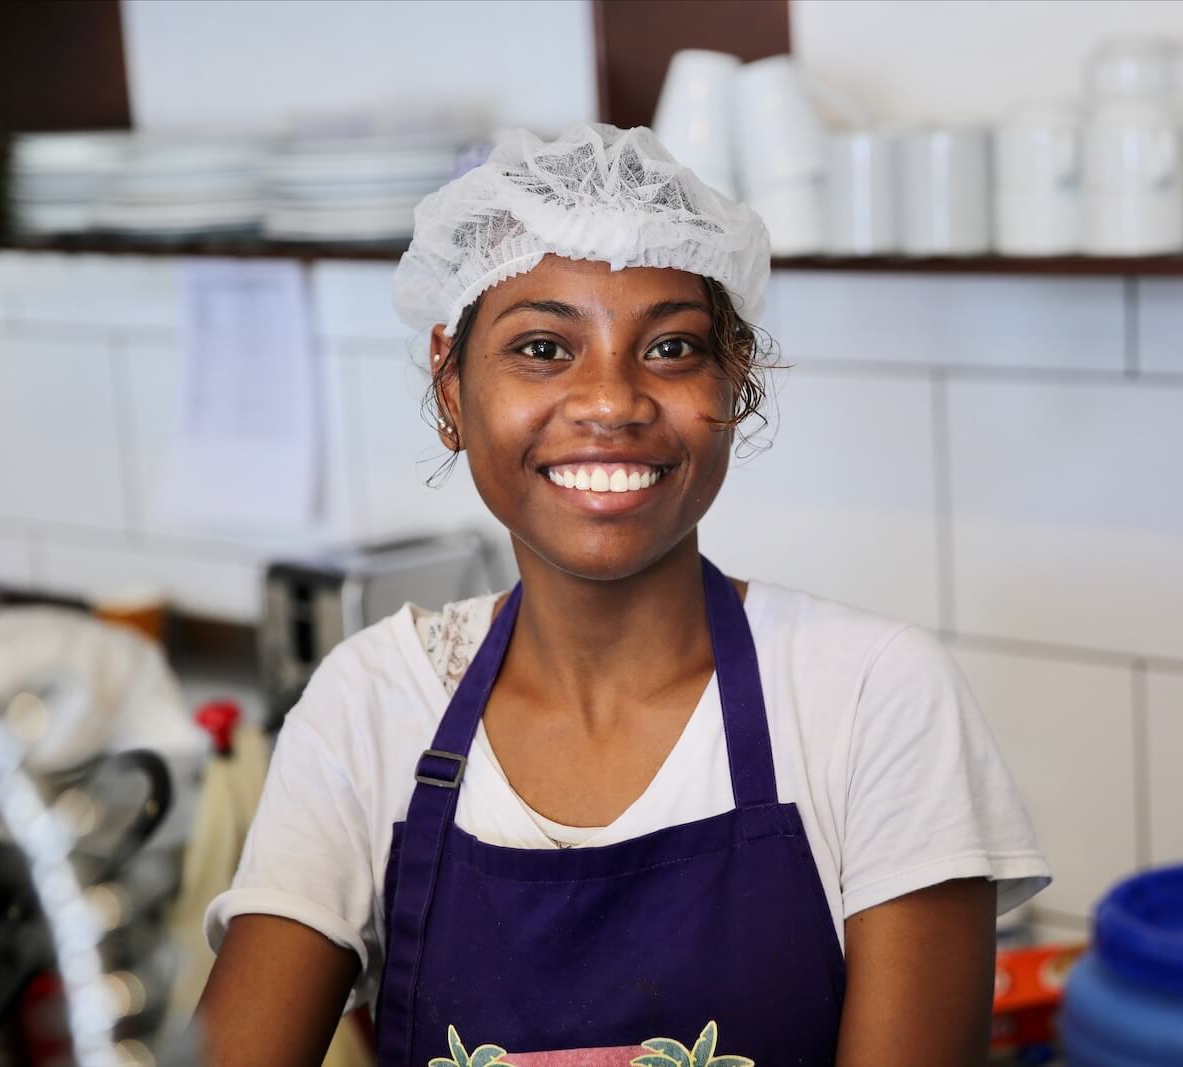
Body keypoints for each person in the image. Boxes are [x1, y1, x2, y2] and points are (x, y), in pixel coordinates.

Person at [195, 123, 1052, 1067]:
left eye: (672, 346)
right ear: (451, 386)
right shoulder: (371, 705)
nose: (611, 402)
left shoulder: (872, 696)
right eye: (543, 348)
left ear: (737, 379)